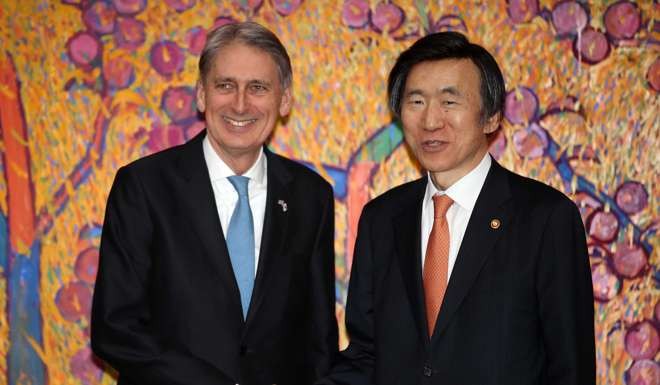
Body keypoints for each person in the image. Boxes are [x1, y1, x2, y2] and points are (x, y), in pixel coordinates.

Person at [319, 31, 595, 385]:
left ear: (492, 117)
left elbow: (570, 370)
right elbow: (365, 355)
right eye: (416, 101)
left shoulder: (546, 218)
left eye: (450, 102)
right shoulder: (382, 218)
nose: (431, 120)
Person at [91, 21, 338, 385]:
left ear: (283, 99)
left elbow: (319, 339)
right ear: (202, 94)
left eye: (258, 87)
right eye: (225, 85)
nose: (240, 103)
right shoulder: (144, 187)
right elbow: (115, 328)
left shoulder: (310, 196)